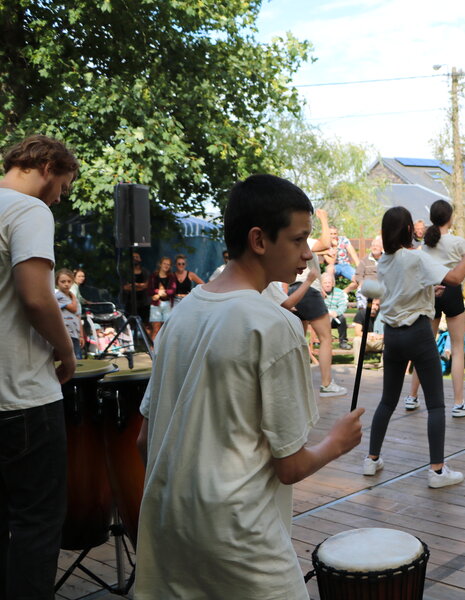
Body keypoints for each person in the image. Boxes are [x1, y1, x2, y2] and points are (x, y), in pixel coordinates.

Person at [134, 174, 363, 599]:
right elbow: (289, 467)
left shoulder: (181, 316)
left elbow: (145, 442)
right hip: (240, 543)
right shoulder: (273, 325)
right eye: (298, 240)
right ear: (259, 239)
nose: (306, 254)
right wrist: (337, 442)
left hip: (168, 532)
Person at [0, 134, 78, 598]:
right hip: (23, 398)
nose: (59, 198)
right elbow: (34, 296)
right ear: (48, 167)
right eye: (63, 187)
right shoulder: (29, 210)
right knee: (36, 527)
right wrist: (66, 350)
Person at [364, 206, 465, 488]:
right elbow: (456, 279)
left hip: (392, 337)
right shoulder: (416, 258)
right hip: (418, 334)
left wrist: (430, 291)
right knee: (435, 404)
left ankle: (371, 460)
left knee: (387, 400)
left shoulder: (383, 261)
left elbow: (398, 292)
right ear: (409, 230)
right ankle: (437, 470)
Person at [404, 200, 465, 416]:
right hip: (452, 291)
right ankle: (458, 403)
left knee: (424, 349)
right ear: (450, 218)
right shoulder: (457, 242)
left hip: (431, 293)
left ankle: (412, 397)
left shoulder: (426, 243)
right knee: (456, 349)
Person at [287, 208, 347, 397]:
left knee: (299, 341)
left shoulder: (288, 241)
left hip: (293, 291)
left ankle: (295, 384)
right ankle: (326, 384)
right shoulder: (306, 241)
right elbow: (326, 242)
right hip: (307, 290)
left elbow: (327, 251)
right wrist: (323, 219)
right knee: (326, 338)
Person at [345, 236, 382, 308]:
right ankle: (363, 311)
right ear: (370, 248)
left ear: (382, 248)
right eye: (373, 246)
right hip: (367, 285)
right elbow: (358, 274)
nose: (375, 248)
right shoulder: (364, 260)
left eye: (377, 246)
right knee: (361, 290)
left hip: (382, 285)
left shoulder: (386, 260)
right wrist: (361, 282)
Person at [55, 268, 83, 359]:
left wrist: (81, 335)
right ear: (57, 283)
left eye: (69, 281)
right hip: (63, 334)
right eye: (62, 282)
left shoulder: (73, 298)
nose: (66, 284)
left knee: (77, 358)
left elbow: (78, 317)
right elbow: (73, 309)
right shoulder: (58, 296)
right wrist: (73, 297)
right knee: (66, 359)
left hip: (75, 333)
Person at [320, 272, 350, 350]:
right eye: (325, 283)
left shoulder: (339, 292)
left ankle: (343, 341)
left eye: (329, 282)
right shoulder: (317, 293)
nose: (327, 285)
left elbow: (343, 306)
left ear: (333, 283)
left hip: (334, 318)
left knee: (342, 318)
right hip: (322, 318)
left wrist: (336, 313)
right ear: (321, 284)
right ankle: (320, 341)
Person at [148, 256, 176, 340]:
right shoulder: (153, 276)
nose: (166, 266)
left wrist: (159, 294)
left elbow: (172, 291)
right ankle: (153, 350)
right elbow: (149, 290)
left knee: (166, 328)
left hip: (167, 304)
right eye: (164, 263)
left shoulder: (171, 277)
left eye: (168, 264)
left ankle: (164, 349)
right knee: (156, 328)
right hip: (156, 305)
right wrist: (158, 291)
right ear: (160, 264)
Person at [352, 298, 385, 365]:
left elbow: (390, 332)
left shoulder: (384, 315)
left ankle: (383, 367)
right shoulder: (361, 314)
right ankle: (358, 365)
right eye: (372, 304)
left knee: (389, 341)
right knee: (356, 340)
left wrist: (380, 336)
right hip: (366, 341)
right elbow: (357, 332)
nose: (374, 307)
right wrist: (370, 335)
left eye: (377, 305)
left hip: (379, 342)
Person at [123, 250, 151, 323]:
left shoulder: (145, 272)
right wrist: (140, 286)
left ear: (140, 259)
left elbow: (146, 285)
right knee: (130, 324)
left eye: (137, 257)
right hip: (130, 303)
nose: (135, 258)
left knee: (145, 324)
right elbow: (125, 287)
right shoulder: (127, 272)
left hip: (144, 303)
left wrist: (134, 285)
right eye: (133, 257)